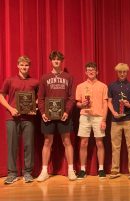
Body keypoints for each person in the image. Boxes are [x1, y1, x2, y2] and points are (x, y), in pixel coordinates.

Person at [36, 51, 76, 182]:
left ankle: (70, 170)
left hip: (64, 115)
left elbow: (71, 97)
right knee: (47, 142)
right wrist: (42, 113)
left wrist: (67, 111)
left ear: (62, 61)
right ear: (51, 61)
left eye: (59, 59)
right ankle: (44, 171)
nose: (56, 61)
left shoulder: (68, 77)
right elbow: (40, 97)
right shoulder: (44, 78)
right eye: (54, 59)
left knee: (67, 141)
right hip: (48, 115)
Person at [0, 56, 39, 184]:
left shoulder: (35, 82)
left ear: (29, 66)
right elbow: (1, 96)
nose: (24, 67)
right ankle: (12, 174)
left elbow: (40, 99)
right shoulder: (10, 80)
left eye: (26, 65)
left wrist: (35, 106)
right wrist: (11, 109)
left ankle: (28, 173)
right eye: (22, 65)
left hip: (28, 118)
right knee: (12, 146)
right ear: (17, 66)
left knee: (28, 145)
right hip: (12, 117)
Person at [76, 62, 108, 179]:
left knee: (99, 142)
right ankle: (83, 169)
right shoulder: (80, 86)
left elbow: (105, 104)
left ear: (97, 71)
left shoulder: (103, 86)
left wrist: (104, 119)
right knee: (83, 143)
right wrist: (82, 104)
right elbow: (77, 103)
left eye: (93, 70)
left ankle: (101, 169)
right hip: (85, 116)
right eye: (89, 70)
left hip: (98, 117)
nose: (91, 71)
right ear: (85, 72)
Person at [108, 63, 130, 179]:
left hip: (129, 119)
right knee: (115, 146)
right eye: (120, 72)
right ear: (117, 72)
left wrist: (129, 105)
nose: (122, 74)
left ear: (127, 72)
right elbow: (109, 101)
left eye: (124, 72)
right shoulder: (111, 86)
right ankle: (115, 170)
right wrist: (113, 112)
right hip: (115, 120)